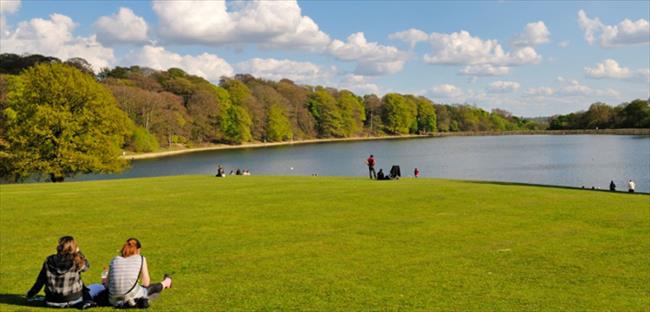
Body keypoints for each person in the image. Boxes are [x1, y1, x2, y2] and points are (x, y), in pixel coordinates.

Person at [26, 236, 95, 309]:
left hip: (51, 301)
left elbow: (40, 281)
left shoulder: (49, 260)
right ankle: (89, 301)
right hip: (74, 300)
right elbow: (86, 266)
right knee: (89, 286)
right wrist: (78, 252)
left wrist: (30, 294)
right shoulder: (76, 260)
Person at [104, 238, 172, 308]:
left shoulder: (114, 259)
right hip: (131, 295)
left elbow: (106, 284)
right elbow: (146, 283)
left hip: (112, 299)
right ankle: (167, 282)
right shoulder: (141, 258)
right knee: (147, 289)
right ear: (138, 250)